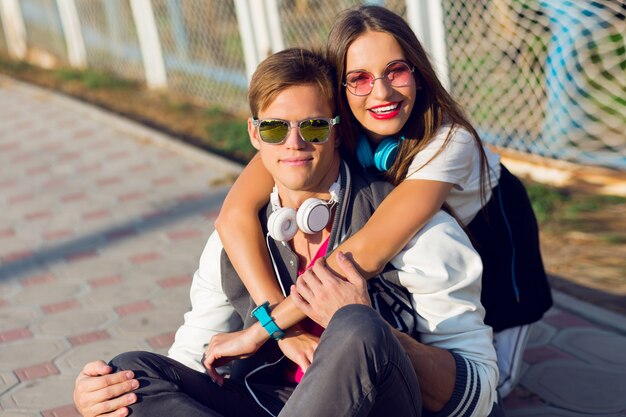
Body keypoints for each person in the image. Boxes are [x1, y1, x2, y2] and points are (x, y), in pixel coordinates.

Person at [73, 48, 501, 417]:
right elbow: (193, 356)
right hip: (264, 401)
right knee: (131, 372)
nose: (293, 143)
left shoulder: (417, 228)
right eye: (275, 128)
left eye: (313, 127)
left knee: (356, 325)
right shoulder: (237, 237)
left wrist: (377, 336)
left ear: (338, 133)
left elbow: (478, 392)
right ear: (254, 135)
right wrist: (102, 394)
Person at [214, 5, 552, 397]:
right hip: (434, 258)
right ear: (339, 92)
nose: (382, 91)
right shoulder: (315, 130)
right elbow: (233, 216)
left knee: (499, 385)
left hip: (495, 240)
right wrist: (281, 329)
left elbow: (367, 252)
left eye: (396, 71)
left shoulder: (449, 142)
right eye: (358, 78)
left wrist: (259, 332)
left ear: (419, 74)